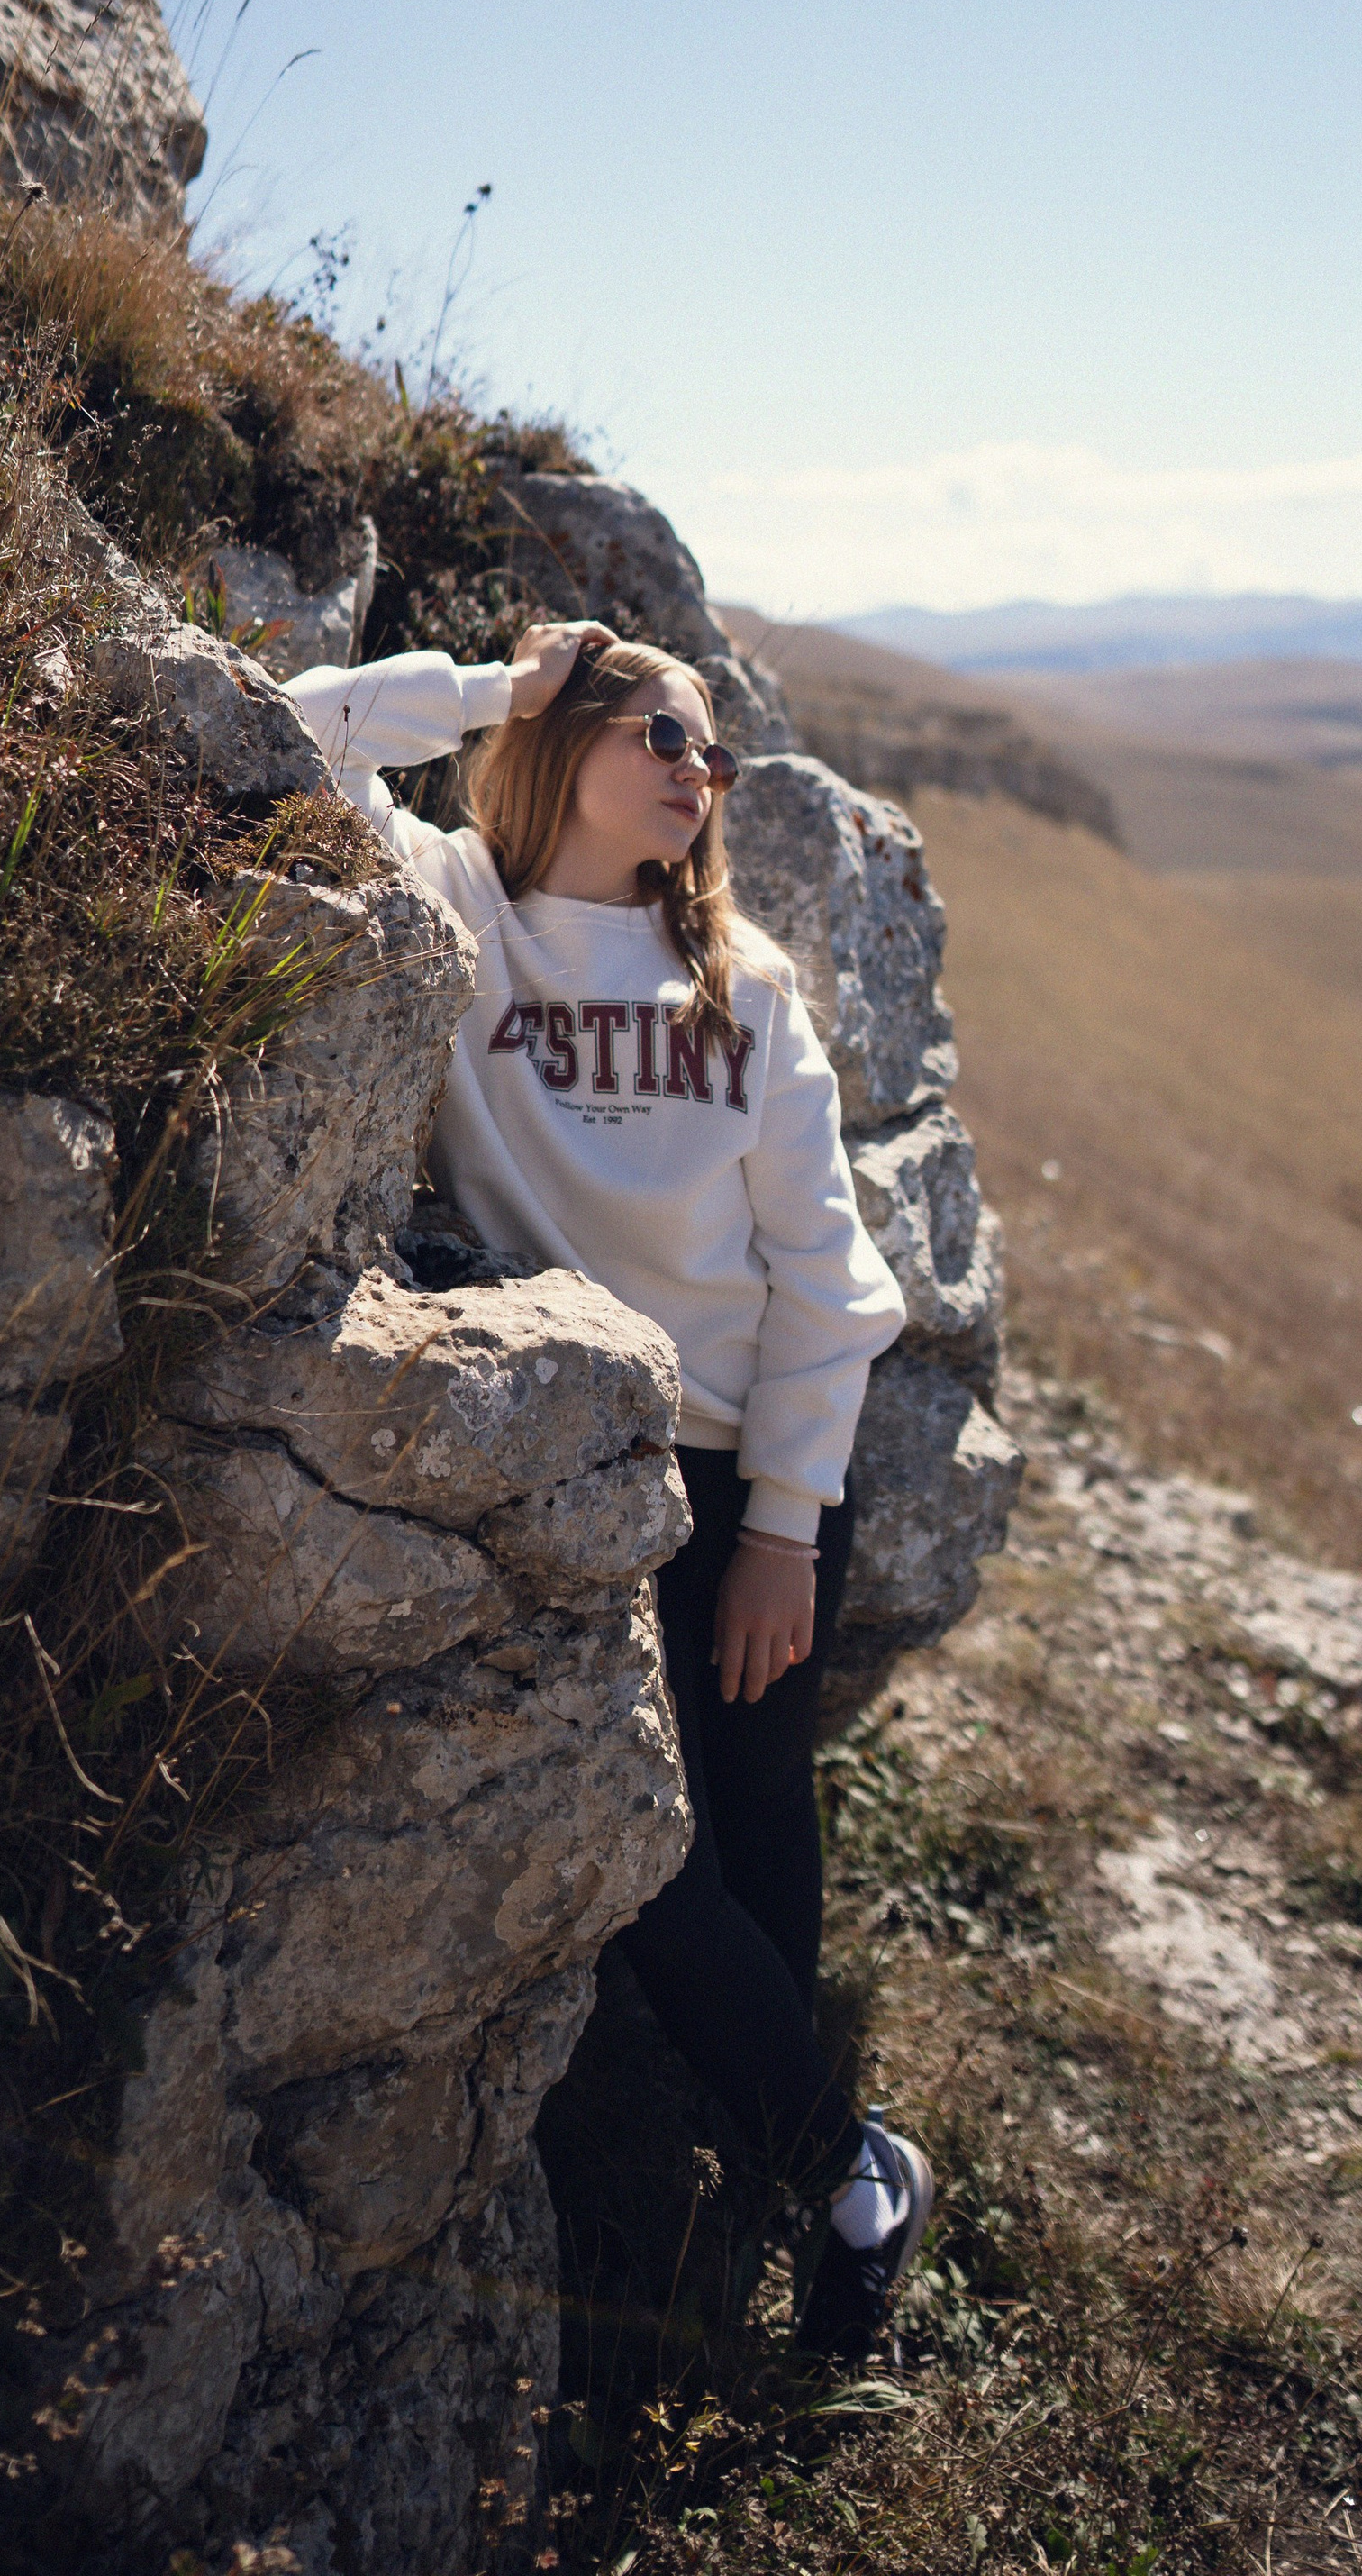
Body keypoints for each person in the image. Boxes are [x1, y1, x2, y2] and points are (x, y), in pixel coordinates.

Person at [286, 617, 933, 2362]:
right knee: (647, 1863)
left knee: (755, 1825)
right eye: (661, 731)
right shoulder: (453, 908)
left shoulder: (748, 980)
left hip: (755, 1477)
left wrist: (785, 1534)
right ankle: (849, 2167)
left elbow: (829, 1280)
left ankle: (769, 2170)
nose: (697, 772)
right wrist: (499, 684)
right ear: (566, 734)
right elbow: (289, 730)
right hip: (576, 1471)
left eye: (712, 754)